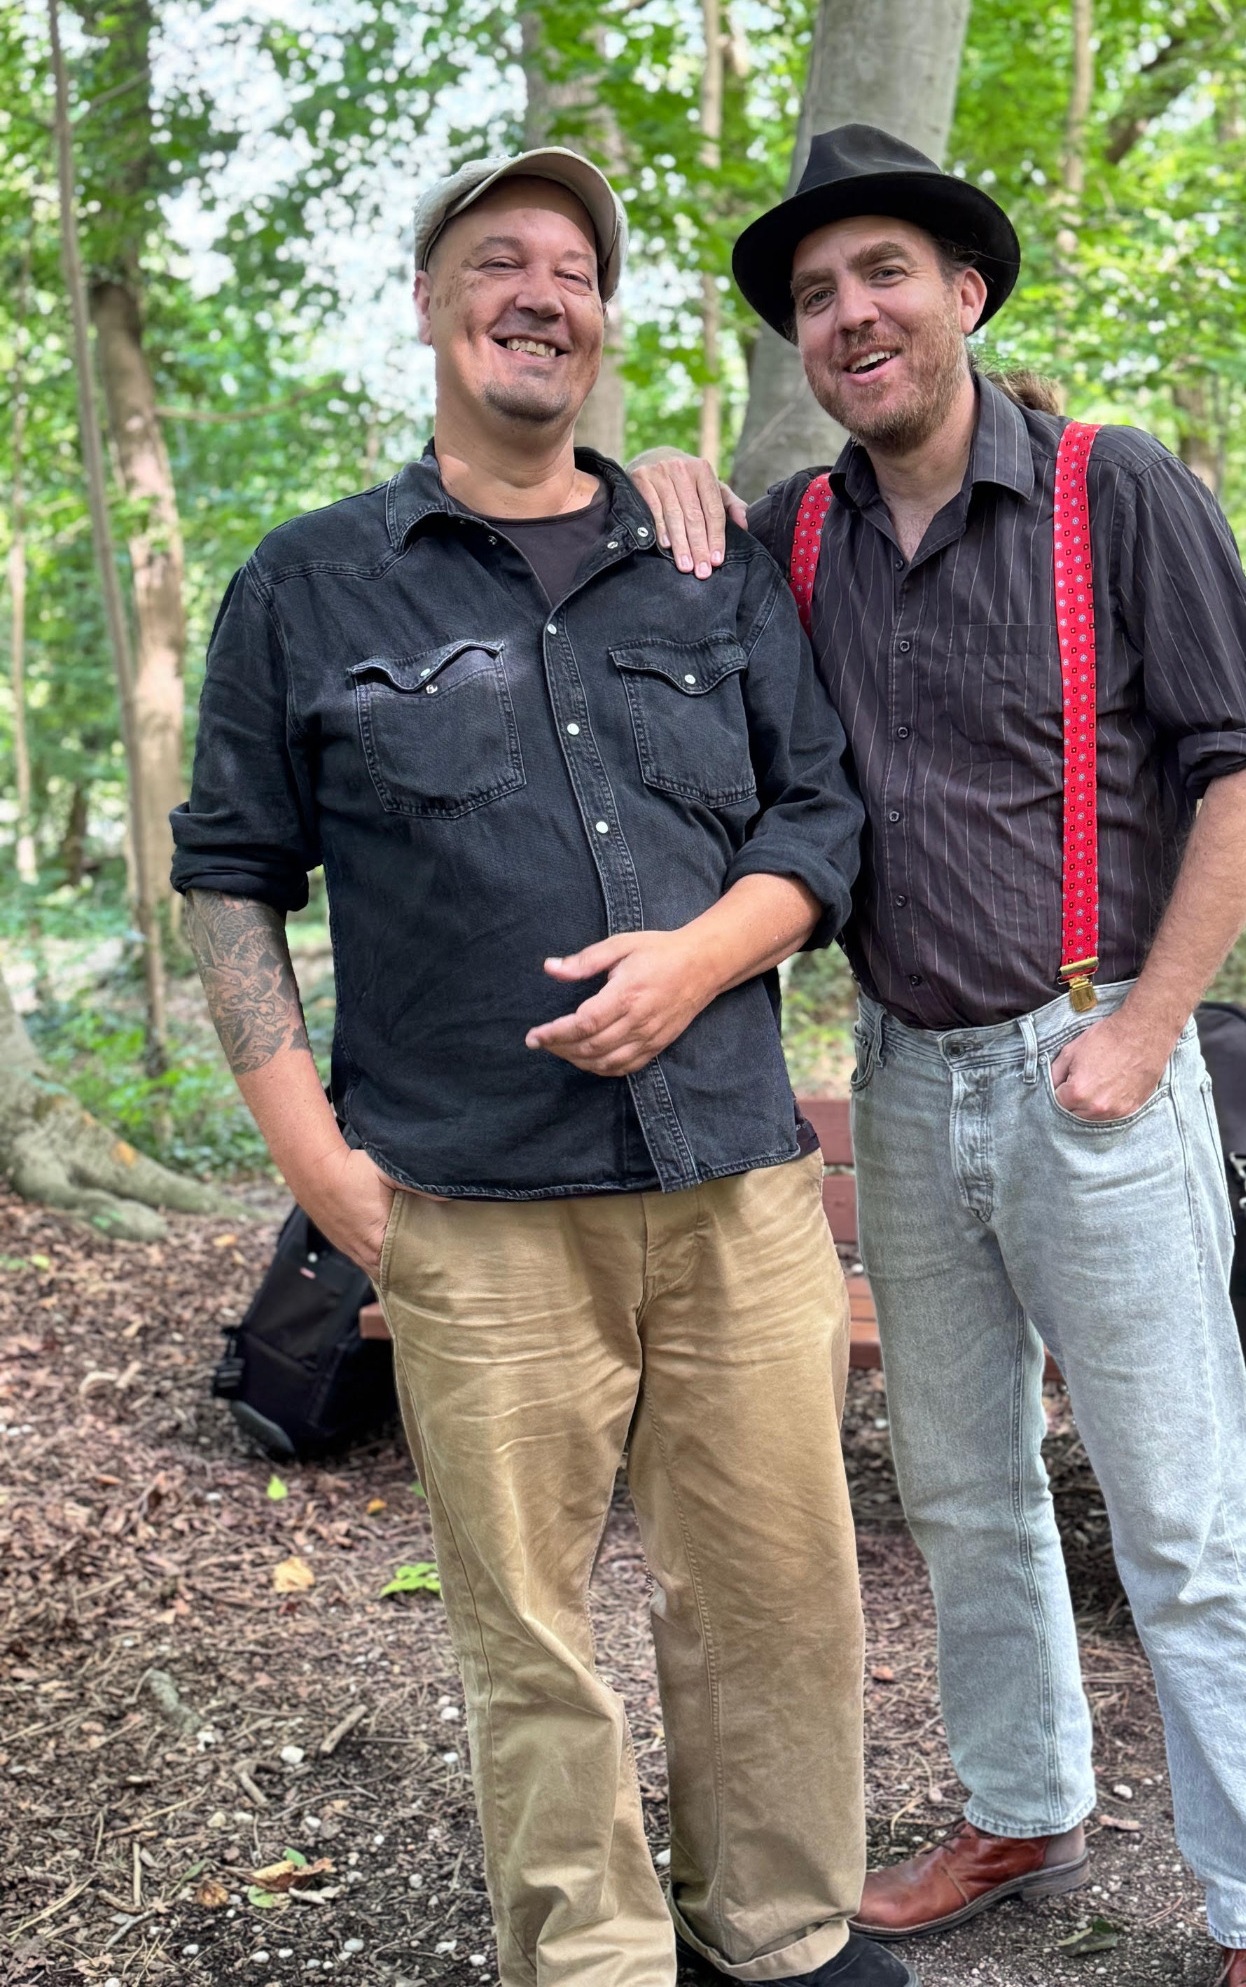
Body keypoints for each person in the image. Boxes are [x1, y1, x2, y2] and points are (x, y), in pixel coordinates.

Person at [171, 147, 910, 1987]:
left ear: (601, 323)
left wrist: (701, 959)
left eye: (575, 271)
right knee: (530, 1631)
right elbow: (231, 876)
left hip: (735, 1180)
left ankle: (779, 1932)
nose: (540, 295)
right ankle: (594, 1956)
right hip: (474, 1203)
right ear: (430, 305)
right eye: (499, 261)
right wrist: (315, 1162)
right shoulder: (309, 584)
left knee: (779, 1596)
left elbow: (819, 819)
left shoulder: (706, 564)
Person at [631, 124, 1246, 1987]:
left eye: (883, 275)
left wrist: (1148, 1028)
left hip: (1091, 1070)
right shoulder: (795, 533)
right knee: (961, 1495)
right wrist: (666, 479)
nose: (849, 316)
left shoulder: (1115, 488)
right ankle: (1023, 1805)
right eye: (813, 297)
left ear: (964, 292)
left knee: (1180, 1517)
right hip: (902, 1076)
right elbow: (649, 632)